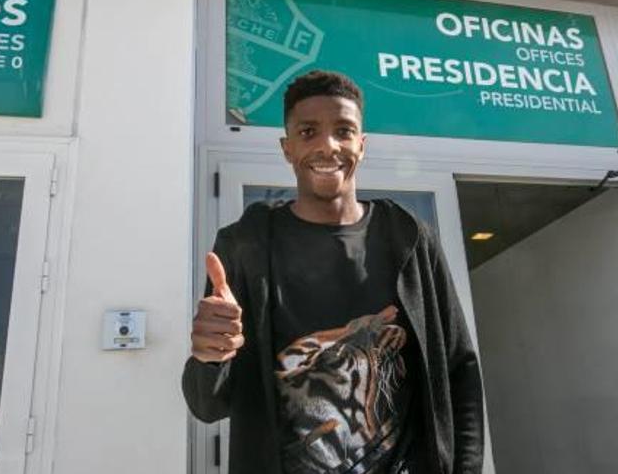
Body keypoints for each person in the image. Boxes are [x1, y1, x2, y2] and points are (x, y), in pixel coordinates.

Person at [182, 70, 484, 474]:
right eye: (308, 132)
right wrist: (209, 357)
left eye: (344, 131)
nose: (328, 145)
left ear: (362, 144)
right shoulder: (244, 247)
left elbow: (458, 368)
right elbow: (208, 406)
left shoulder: (410, 239)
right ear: (287, 148)